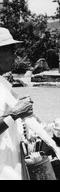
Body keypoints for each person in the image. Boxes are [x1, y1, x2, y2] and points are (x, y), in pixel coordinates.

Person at [0, 27, 34, 180]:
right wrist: (15, 113)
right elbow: (10, 116)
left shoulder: (4, 86)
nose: (14, 56)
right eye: (10, 51)